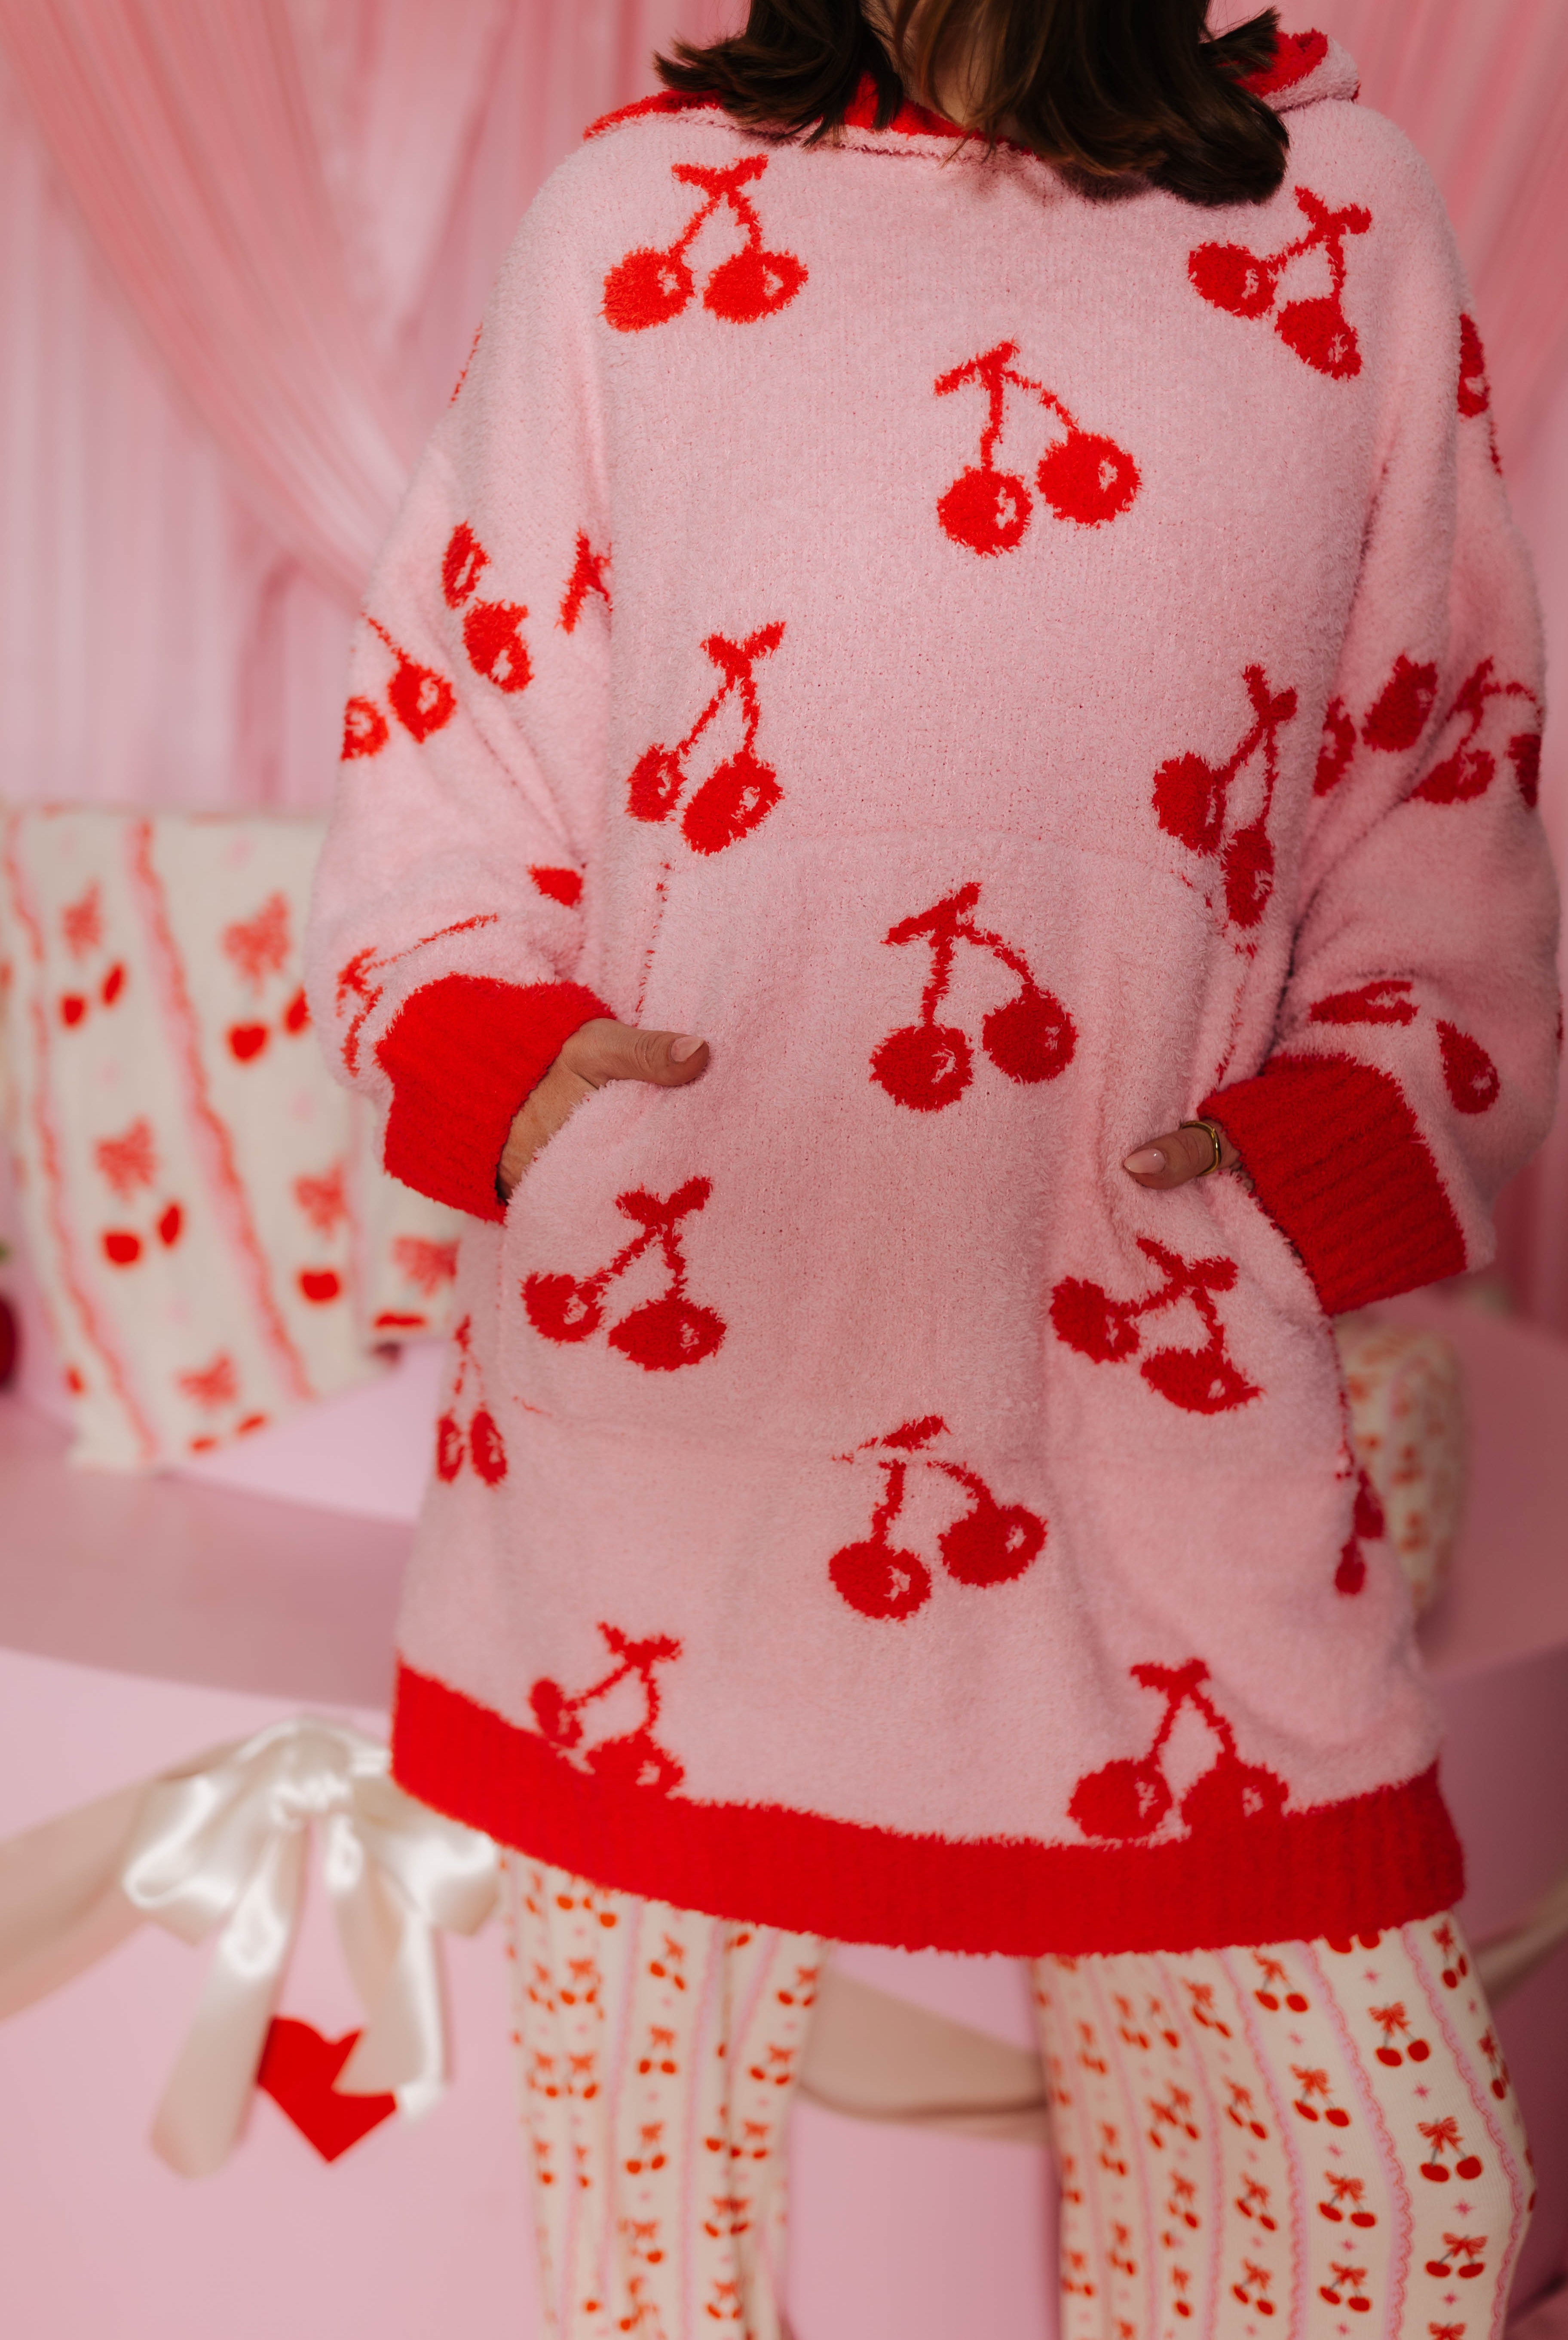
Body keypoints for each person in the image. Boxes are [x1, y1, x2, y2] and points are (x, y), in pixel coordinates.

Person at [306, 2, 1556, 2332]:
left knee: (1382, 2216)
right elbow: (451, 728)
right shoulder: (635, 223)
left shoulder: (1343, 220)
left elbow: (1438, 763)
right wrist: (513, 1071)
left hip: (1152, 1370)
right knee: (653, 2258)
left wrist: (1332, 1147)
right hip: (677, 1380)